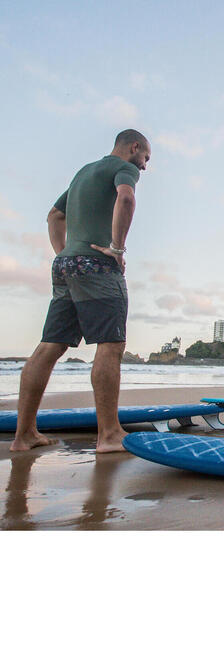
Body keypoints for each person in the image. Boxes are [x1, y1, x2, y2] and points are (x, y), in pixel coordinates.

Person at [10, 129, 151, 454]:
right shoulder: (124, 168)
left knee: (49, 347)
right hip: (97, 265)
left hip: (65, 265)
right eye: (145, 158)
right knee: (111, 344)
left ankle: (25, 434)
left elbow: (54, 216)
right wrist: (117, 248)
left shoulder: (83, 173)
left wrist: (64, 253)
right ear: (134, 148)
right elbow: (126, 198)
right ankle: (109, 434)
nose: (144, 166)